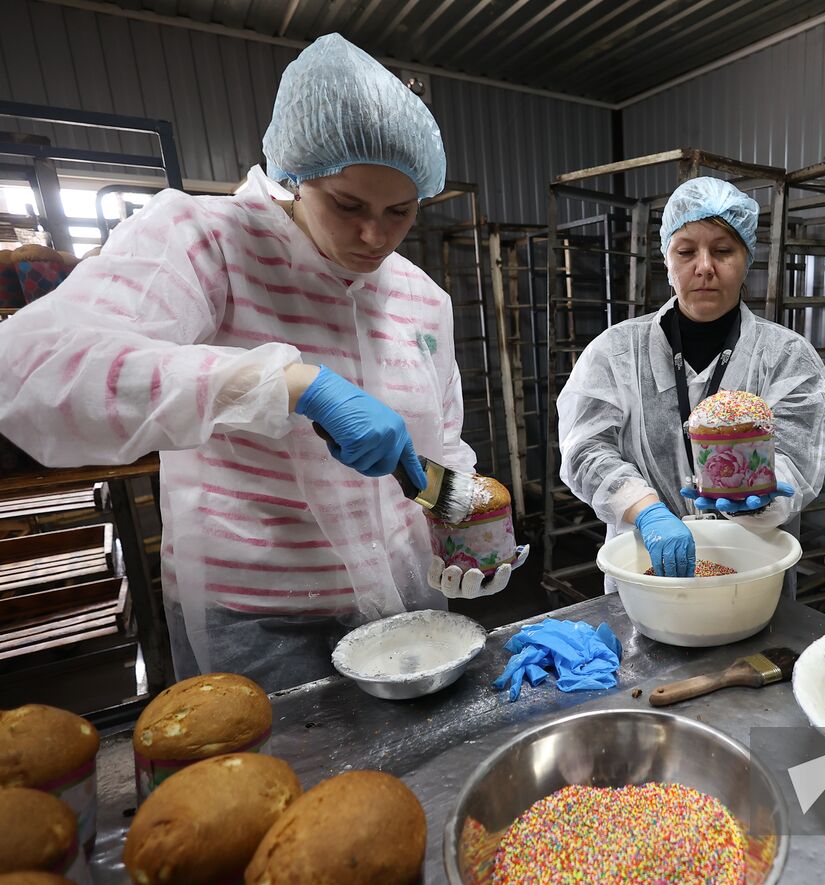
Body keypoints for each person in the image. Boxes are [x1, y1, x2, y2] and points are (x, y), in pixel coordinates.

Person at [0, 35, 518, 692]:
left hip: (406, 599)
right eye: (348, 205)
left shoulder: (420, 296)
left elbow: (439, 450)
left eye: (400, 212)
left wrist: (466, 532)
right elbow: (34, 366)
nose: (374, 237)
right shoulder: (209, 243)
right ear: (295, 177)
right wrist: (291, 384)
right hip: (261, 625)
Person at [557, 177, 825, 582]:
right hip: (646, 564)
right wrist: (645, 509)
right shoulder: (615, 353)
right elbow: (585, 450)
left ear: (747, 257)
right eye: (686, 251)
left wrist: (760, 497)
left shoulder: (787, 358)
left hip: (749, 566)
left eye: (722, 250)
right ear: (667, 261)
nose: (704, 267)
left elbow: (797, 458)